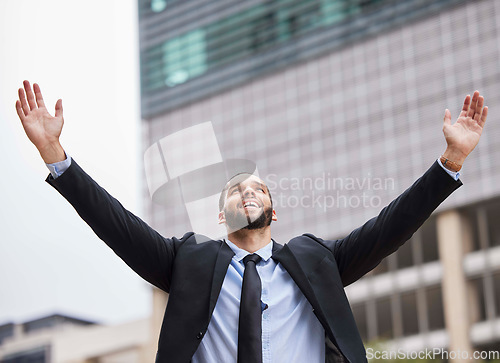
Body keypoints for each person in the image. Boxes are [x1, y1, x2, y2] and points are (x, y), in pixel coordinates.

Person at [15, 80, 488, 363]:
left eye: (258, 187)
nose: (247, 191)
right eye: (236, 190)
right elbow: (115, 223)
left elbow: (390, 227)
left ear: (273, 210)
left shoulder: (316, 258)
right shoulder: (188, 261)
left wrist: (449, 161)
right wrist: (56, 157)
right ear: (221, 216)